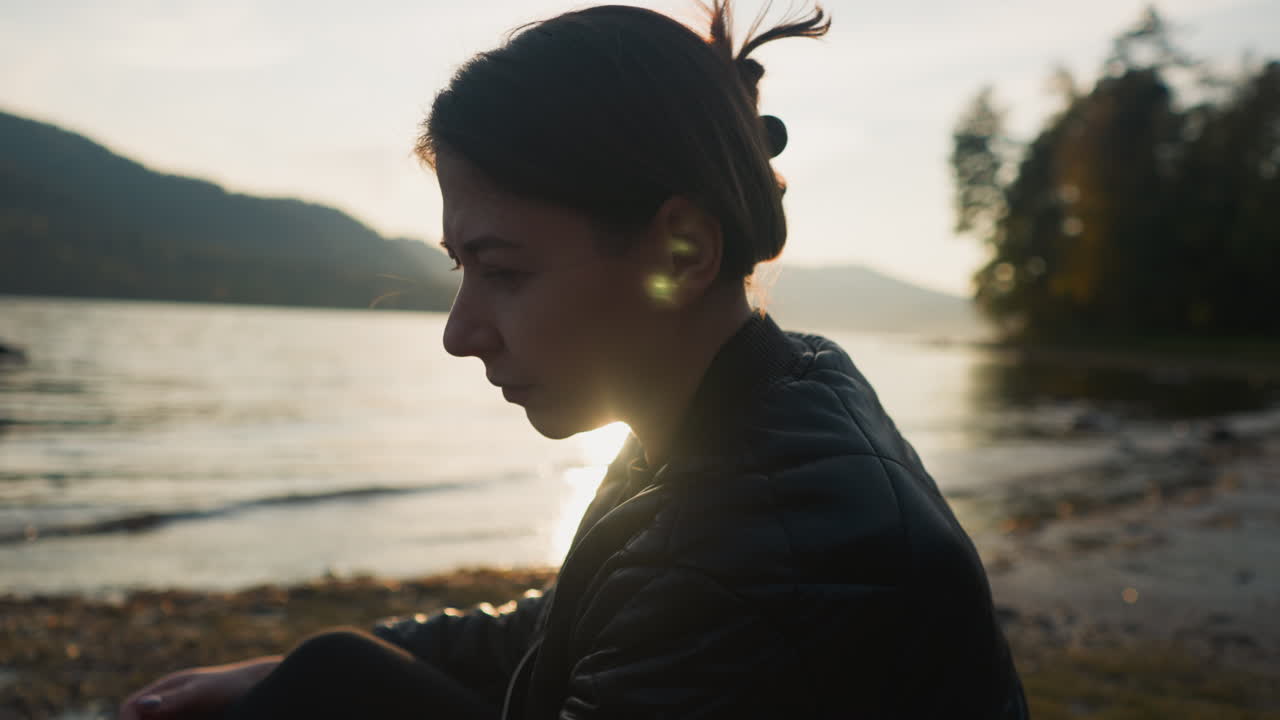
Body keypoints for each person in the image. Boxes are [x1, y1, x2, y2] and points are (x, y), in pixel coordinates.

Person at [119, 2, 1029, 718]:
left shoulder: (760, 566)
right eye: (460, 269)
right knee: (330, 674)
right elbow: (562, 628)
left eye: (502, 271)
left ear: (681, 251)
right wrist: (274, 668)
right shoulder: (762, 395)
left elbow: (668, 607)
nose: (460, 331)